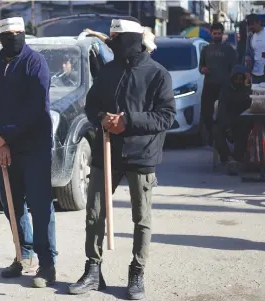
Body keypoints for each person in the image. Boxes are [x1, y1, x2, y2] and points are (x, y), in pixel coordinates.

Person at [67, 17, 175, 300]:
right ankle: (93, 270)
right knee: (94, 213)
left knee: (141, 219)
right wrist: (104, 119)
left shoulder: (158, 74)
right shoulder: (108, 71)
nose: (111, 44)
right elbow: (92, 106)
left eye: (115, 39)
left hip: (143, 153)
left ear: (130, 40)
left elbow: (166, 116)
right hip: (107, 151)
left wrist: (128, 121)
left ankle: (137, 273)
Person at [0, 15, 57, 288]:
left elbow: (35, 108)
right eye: (7, 34)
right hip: (4, 147)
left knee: (39, 205)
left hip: (33, 147)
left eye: (17, 33)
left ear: (24, 33)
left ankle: (47, 264)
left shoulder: (35, 62)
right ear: (0, 37)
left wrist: (5, 136)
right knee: (12, 205)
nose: (13, 37)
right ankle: (22, 254)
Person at [199, 22, 238, 144]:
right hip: (209, 85)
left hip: (224, 86)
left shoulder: (229, 49)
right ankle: (212, 134)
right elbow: (201, 66)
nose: (217, 35)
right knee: (206, 113)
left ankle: (226, 134)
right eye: (215, 33)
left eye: (219, 33)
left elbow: (235, 68)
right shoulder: (205, 49)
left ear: (222, 34)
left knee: (224, 113)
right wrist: (202, 70)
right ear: (211, 34)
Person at [213, 65, 253, 175]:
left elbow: (250, 103)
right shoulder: (226, 89)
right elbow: (222, 110)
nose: (238, 81)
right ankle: (228, 158)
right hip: (228, 119)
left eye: (241, 79)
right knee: (216, 131)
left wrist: (247, 87)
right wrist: (226, 126)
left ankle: (237, 160)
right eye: (236, 79)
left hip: (243, 119)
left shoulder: (248, 89)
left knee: (243, 130)